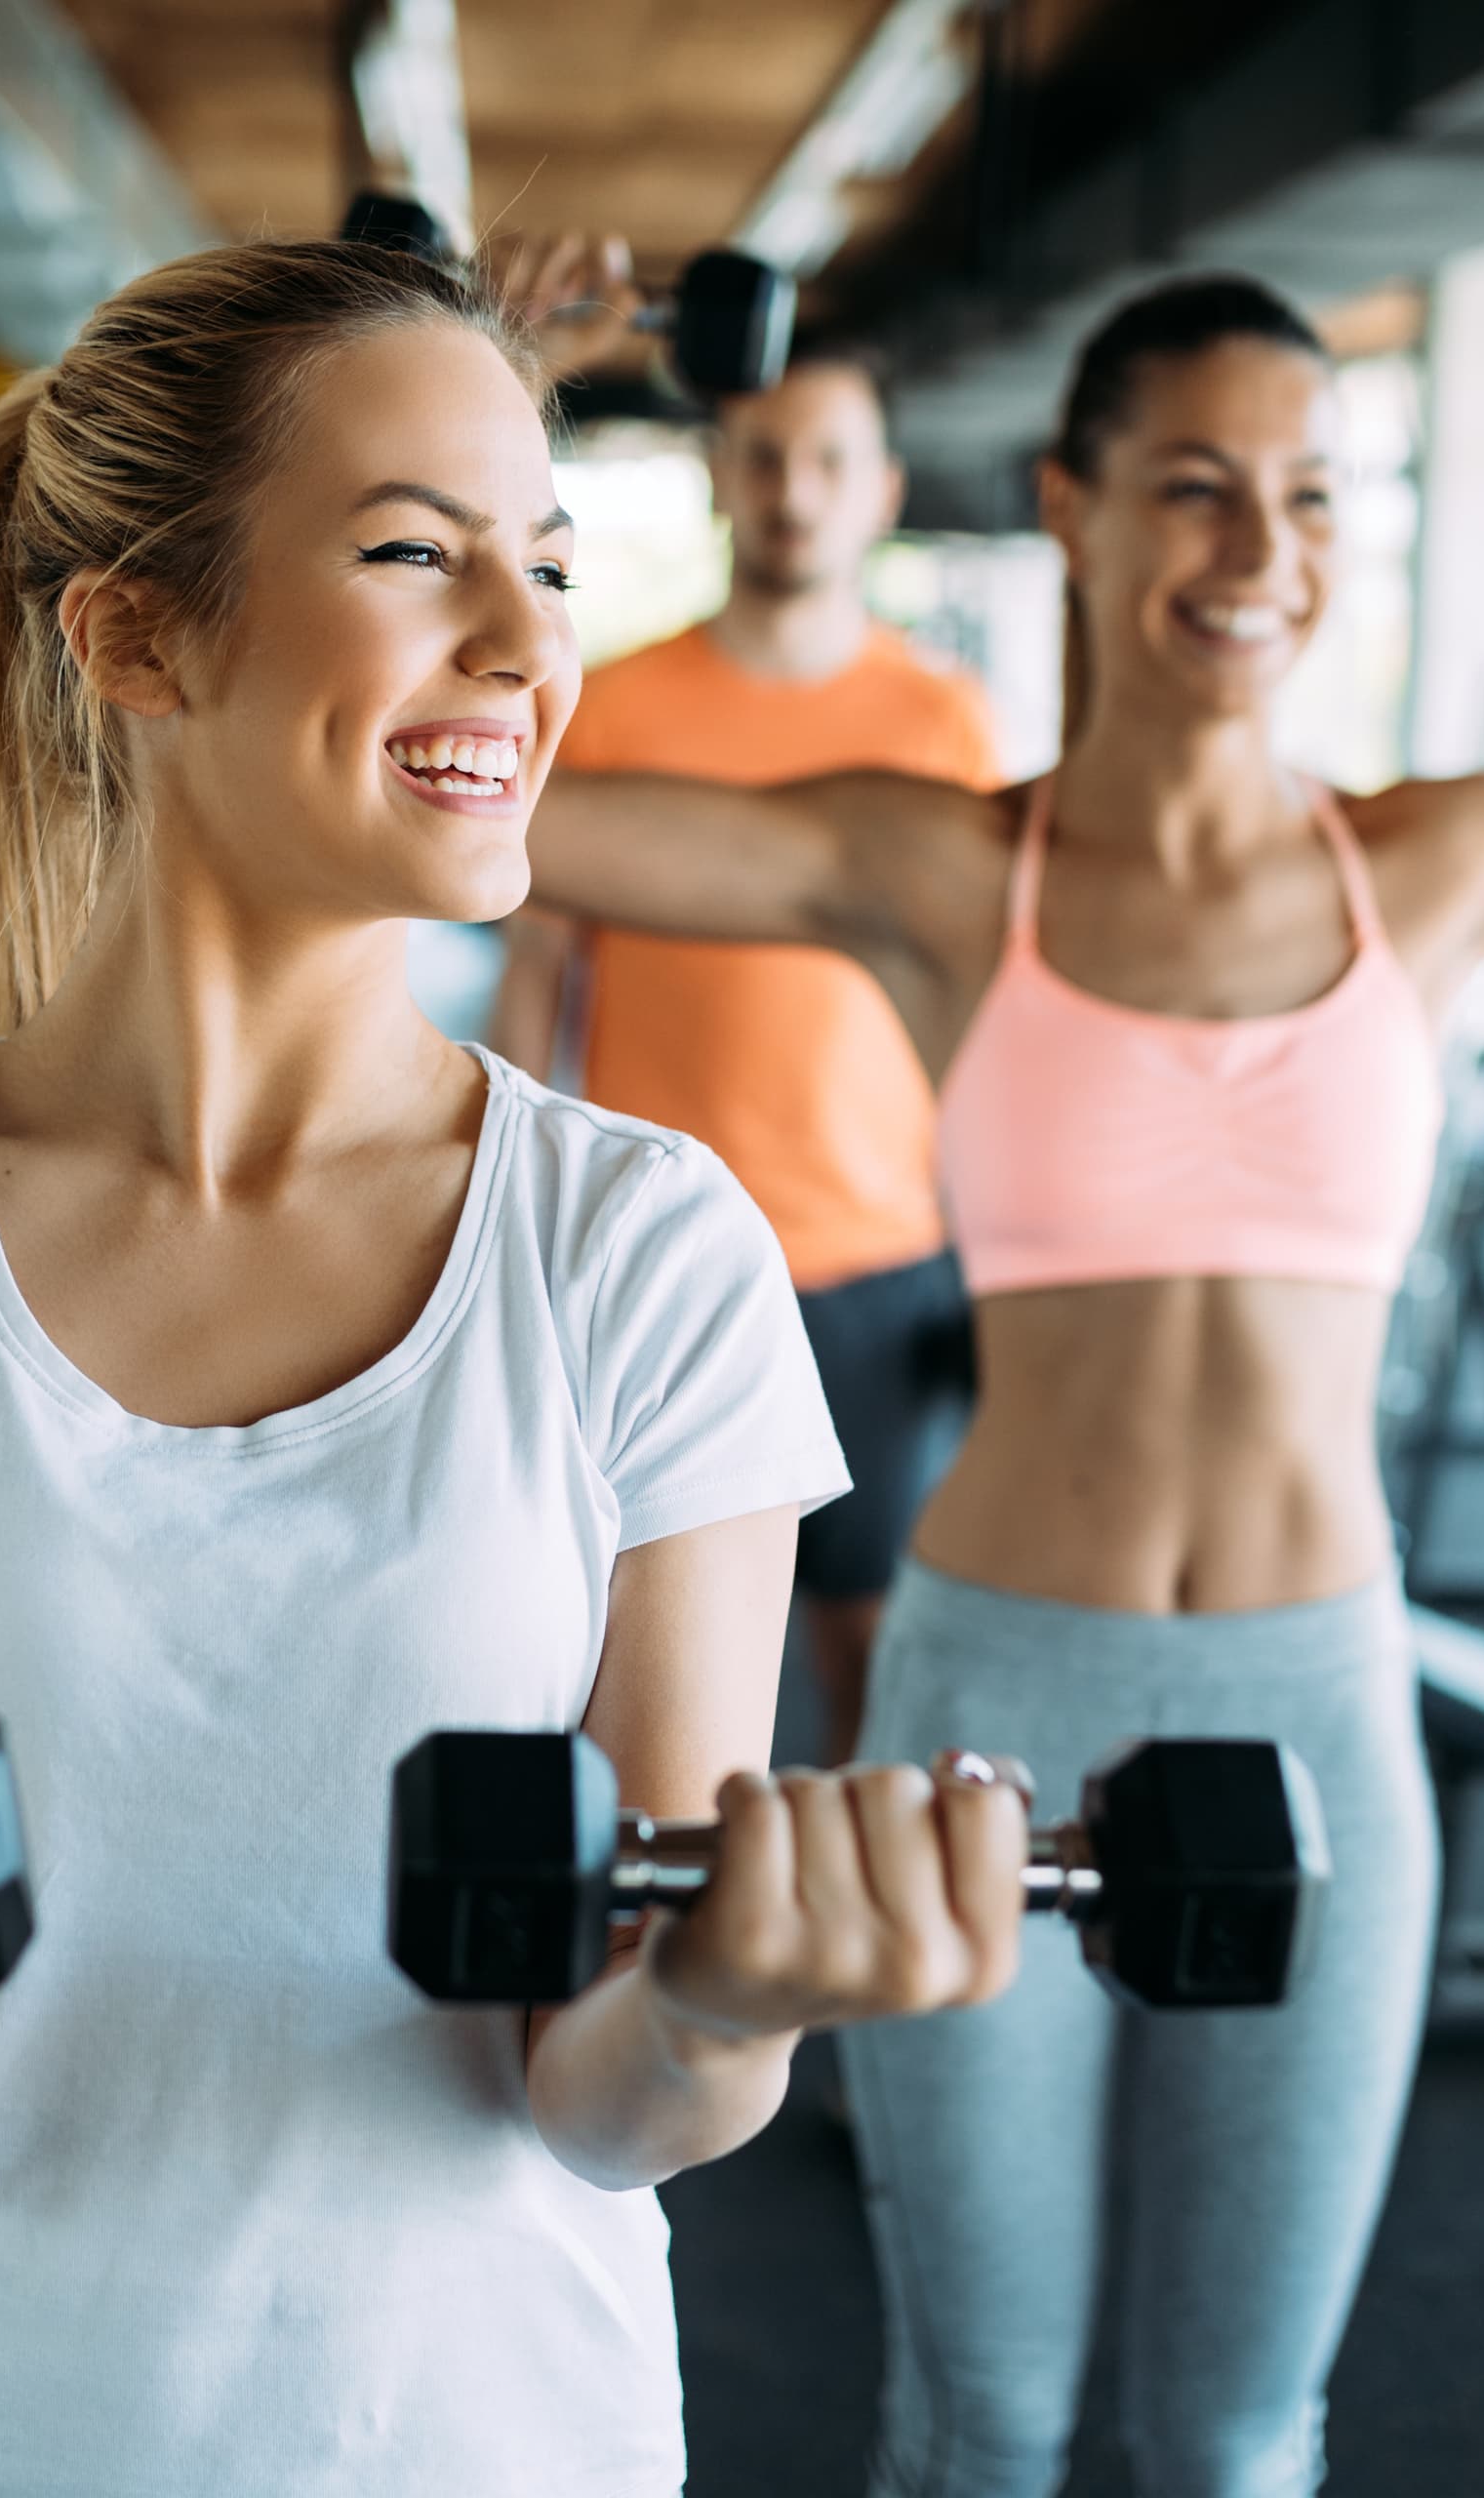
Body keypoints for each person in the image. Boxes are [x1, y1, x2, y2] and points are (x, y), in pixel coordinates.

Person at [0, 239, 1044, 2497]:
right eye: (419, 554)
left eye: (546, 562)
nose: (531, 645)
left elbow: (604, 2090)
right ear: (137, 636)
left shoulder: (645, 1251)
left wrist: (736, 1995)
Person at [519, 266, 1484, 2494]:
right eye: (1197, 488)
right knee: (981, 2420)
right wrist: (491, 389)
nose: (1260, 552)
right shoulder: (940, 866)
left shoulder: (1443, 862)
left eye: (1312, 495)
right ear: (1073, 506)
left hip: (1319, 1691)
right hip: (992, 1691)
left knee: (1237, 2436)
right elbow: (485, 800)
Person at [483, 336, 997, 1764]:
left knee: (863, 1644)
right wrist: (502, 1216)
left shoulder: (944, 723)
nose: (794, 490)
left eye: (830, 460)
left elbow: (983, 1012)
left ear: (882, 490)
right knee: (626, 1652)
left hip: (875, 1261)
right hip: (649, 1252)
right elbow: (535, 980)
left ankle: (842, 1904)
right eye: (764, 456)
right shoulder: (613, 706)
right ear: (721, 476)